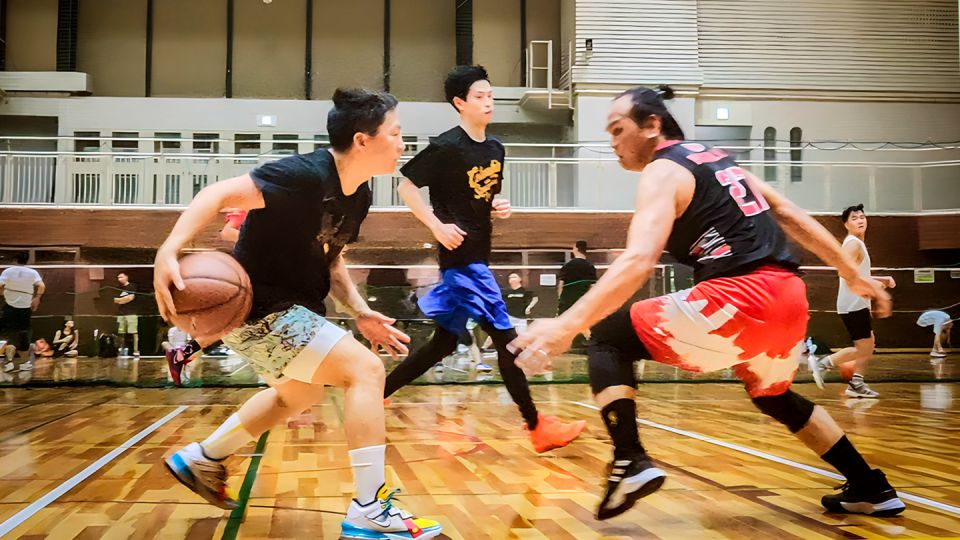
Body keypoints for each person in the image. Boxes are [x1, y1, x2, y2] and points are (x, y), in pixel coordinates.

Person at [511, 86, 904, 520]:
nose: (612, 141)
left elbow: (640, 258)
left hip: (739, 296)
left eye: (618, 129)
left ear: (652, 125)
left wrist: (565, 325)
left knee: (607, 334)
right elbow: (788, 212)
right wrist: (850, 273)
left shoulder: (662, 171)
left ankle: (630, 460)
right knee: (773, 394)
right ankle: (869, 485)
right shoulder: (718, 160)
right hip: (790, 299)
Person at [153, 88, 441, 540]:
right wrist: (168, 249)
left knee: (299, 396)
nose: (404, 143)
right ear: (363, 140)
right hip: (260, 309)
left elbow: (331, 258)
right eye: (397, 133)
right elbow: (216, 194)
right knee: (365, 370)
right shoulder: (303, 174)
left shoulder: (359, 196)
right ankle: (370, 508)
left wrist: (361, 312)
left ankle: (203, 457)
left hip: (287, 311)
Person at [381, 65, 585, 453]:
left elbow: (480, 197)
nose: (488, 101)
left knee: (442, 345)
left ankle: (378, 394)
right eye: (479, 95)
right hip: (463, 262)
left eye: (491, 95)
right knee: (508, 341)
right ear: (459, 103)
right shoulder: (446, 146)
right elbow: (406, 187)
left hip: (478, 256)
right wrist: (437, 226)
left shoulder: (495, 148)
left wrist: (497, 206)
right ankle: (537, 426)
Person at [810, 204, 895, 398]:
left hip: (858, 303)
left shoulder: (857, 243)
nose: (860, 220)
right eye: (855, 218)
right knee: (862, 347)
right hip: (853, 304)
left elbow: (858, 275)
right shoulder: (853, 244)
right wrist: (878, 287)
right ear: (846, 224)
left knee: (869, 342)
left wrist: (882, 280)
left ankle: (856, 383)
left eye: (862, 217)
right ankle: (823, 363)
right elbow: (844, 273)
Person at [0, 252, 45, 364]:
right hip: (25, 307)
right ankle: (24, 362)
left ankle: (10, 360)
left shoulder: (8, 271)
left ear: (14, 260)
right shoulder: (32, 272)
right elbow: (42, 286)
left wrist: (3, 292)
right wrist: (37, 299)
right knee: (23, 333)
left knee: (9, 333)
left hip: (10, 307)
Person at [557, 240, 597, 315]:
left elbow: (561, 284)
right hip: (583, 303)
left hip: (567, 303)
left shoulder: (568, 265)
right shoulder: (590, 267)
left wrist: (560, 299)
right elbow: (592, 286)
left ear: (576, 249)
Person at [114, 272, 140, 357]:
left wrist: (121, 300)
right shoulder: (118, 288)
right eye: (118, 278)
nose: (119, 279)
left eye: (121, 277)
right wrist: (124, 299)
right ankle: (121, 349)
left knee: (133, 332)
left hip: (131, 313)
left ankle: (136, 351)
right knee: (121, 332)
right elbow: (115, 300)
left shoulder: (132, 286)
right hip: (121, 313)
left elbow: (131, 298)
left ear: (126, 277)